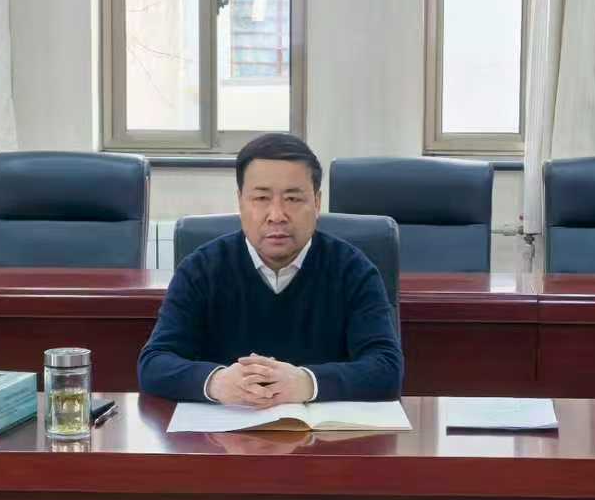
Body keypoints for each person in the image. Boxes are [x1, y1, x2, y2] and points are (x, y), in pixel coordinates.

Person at [138, 133, 403, 407]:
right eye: (261, 198)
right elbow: (154, 363)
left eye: (293, 199)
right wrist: (216, 381)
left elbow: (387, 368)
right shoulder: (200, 270)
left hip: (322, 431)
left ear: (317, 203)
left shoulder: (353, 270)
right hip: (227, 430)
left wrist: (308, 382)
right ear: (240, 202)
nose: (276, 215)